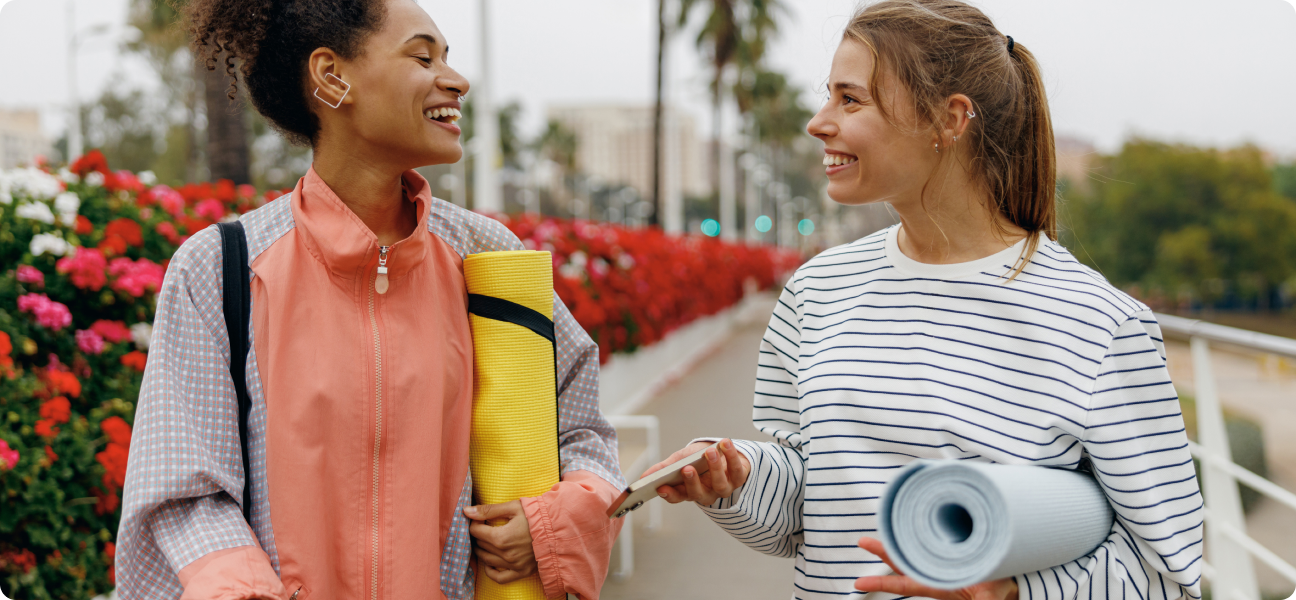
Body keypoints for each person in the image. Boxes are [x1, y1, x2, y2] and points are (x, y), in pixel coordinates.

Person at [647, 1, 1203, 599]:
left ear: (950, 119)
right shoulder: (814, 291)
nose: (818, 122)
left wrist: (1015, 593)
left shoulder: (1102, 325)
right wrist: (738, 479)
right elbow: (811, 512)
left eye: (849, 99)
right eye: (827, 95)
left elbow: (1166, 571)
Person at [116, 1, 624, 598]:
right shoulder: (219, 268)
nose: (455, 81)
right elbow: (183, 491)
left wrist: (546, 525)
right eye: (421, 55)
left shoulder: (490, 260)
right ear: (333, 76)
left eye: (448, 59)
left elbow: (581, 427)